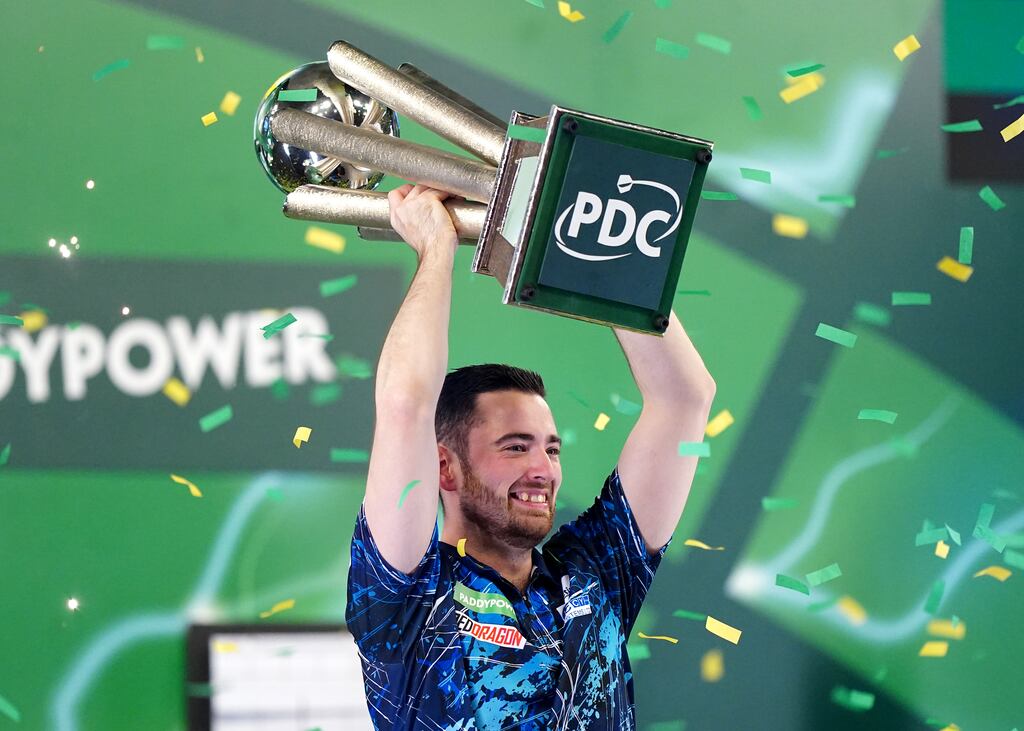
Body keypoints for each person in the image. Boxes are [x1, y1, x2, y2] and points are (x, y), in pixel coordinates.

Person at [347, 183, 716, 730]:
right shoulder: (407, 597)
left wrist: (607, 258)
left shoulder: (596, 572)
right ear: (443, 467)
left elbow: (685, 401)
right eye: (515, 447)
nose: (542, 469)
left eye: (550, 447)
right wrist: (436, 249)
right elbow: (405, 405)